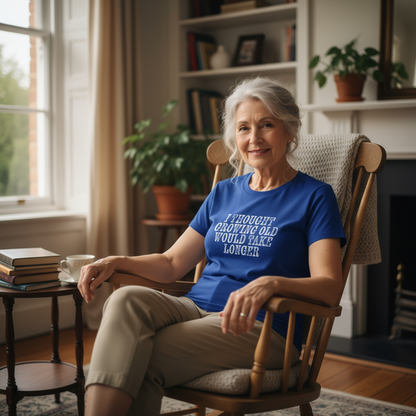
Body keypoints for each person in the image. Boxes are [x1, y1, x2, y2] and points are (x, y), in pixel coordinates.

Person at [77, 77, 346, 416]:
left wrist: (270, 283)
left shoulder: (314, 196)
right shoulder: (224, 192)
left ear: (289, 131)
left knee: (134, 355)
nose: (254, 138)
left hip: (262, 327)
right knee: (126, 298)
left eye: (267, 125)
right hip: (195, 307)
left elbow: (329, 288)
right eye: (244, 127)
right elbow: (172, 263)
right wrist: (117, 261)